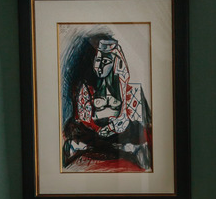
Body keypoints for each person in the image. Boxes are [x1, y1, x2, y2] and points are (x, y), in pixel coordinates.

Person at [62, 34, 152, 171]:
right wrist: (104, 128)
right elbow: (83, 120)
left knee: (138, 132)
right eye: (98, 60)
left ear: (115, 62)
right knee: (74, 132)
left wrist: (114, 125)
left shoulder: (128, 89)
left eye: (106, 62)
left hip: (118, 134)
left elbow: (128, 120)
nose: (99, 66)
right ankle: (121, 148)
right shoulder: (85, 88)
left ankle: (123, 147)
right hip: (94, 134)